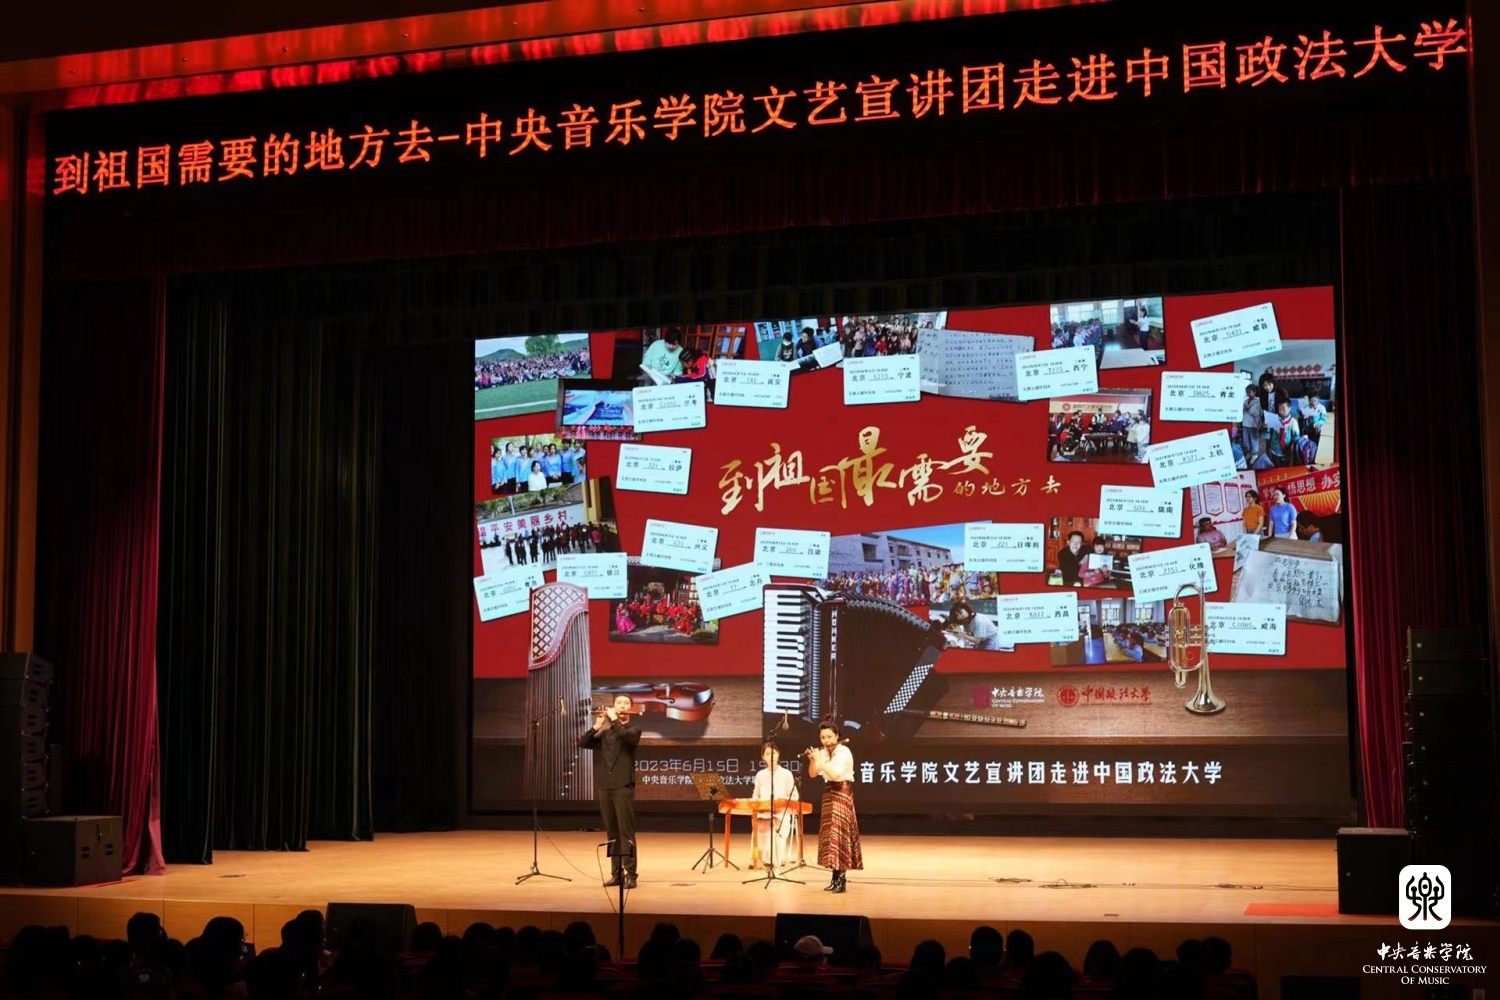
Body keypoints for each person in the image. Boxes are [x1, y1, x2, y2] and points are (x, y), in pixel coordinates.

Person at [577, 693, 641, 888]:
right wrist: (597, 725)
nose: (621, 705)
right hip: (605, 787)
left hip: (623, 786)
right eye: (618, 703)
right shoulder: (606, 735)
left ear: (630, 708)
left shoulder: (634, 730)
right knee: (612, 833)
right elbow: (583, 743)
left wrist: (613, 718)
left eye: (625, 703)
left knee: (625, 832)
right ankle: (616, 874)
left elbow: (625, 736)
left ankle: (631, 874)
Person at [805, 721, 861, 893]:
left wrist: (819, 760)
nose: (826, 740)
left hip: (842, 792)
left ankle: (841, 880)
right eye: (823, 737)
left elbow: (835, 774)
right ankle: (834, 879)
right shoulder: (823, 753)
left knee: (840, 835)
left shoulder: (844, 752)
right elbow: (812, 773)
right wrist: (813, 760)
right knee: (830, 837)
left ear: (837, 736)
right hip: (829, 793)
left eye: (829, 736)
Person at [751, 744, 798, 868]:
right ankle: (758, 859)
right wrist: (758, 803)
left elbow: (794, 795)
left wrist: (781, 802)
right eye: (767, 754)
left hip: (781, 812)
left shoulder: (786, 774)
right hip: (764, 812)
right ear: (763, 757)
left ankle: (773, 860)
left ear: (778, 754)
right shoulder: (760, 774)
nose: (771, 756)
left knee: (777, 830)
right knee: (759, 828)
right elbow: (756, 795)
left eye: (773, 753)